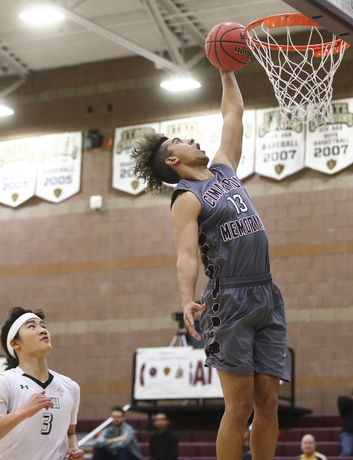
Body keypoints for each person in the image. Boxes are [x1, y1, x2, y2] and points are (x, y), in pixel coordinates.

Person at [131, 69, 290, 460]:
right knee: (239, 407)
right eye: (181, 140)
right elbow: (185, 256)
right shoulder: (186, 197)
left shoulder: (223, 167)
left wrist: (227, 69)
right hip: (228, 300)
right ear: (172, 158)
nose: (191, 139)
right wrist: (187, 299)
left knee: (269, 402)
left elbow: (233, 113)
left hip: (266, 291)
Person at [0, 307, 83, 460]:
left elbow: (70, 433)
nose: (42, 330)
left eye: (43, 326)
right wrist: (22, 413)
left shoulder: (71, 387)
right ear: (15, 343)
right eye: (32, 326)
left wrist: (73, 449)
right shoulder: (3, 383)